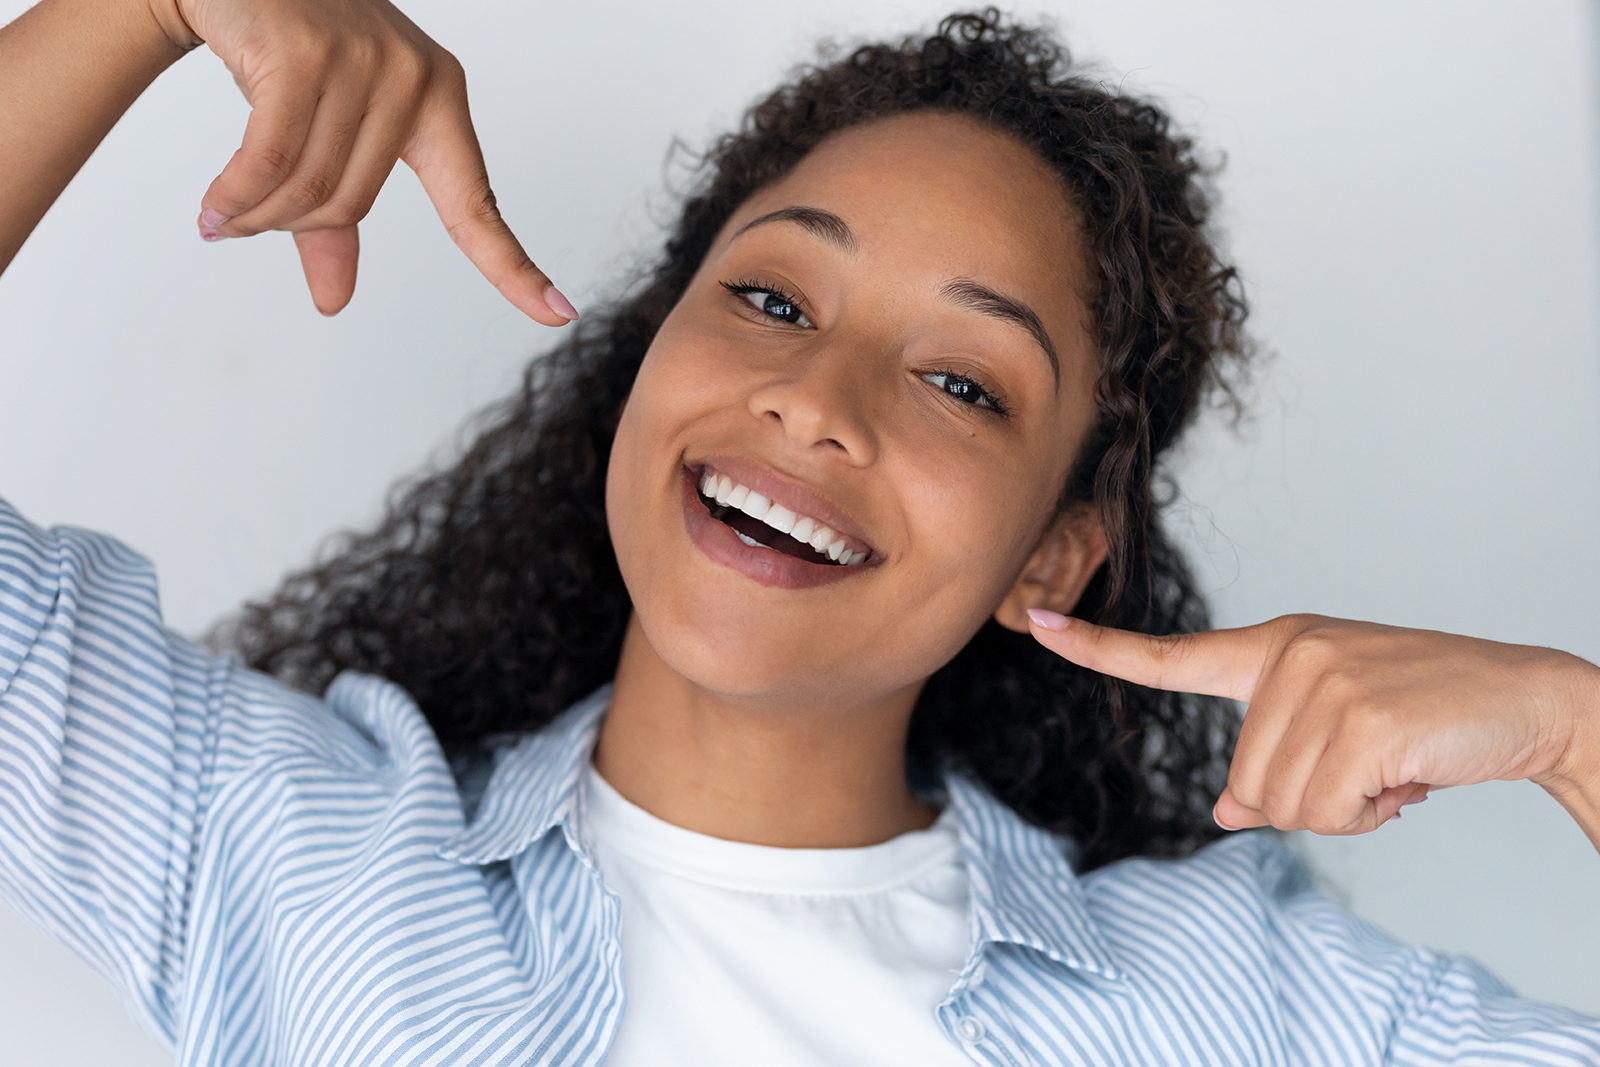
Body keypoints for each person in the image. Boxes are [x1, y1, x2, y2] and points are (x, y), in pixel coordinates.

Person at [0, 0, 1596, 1064]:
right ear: (645, 360)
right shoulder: (287, 857)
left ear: (1055, 548)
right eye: (770, 298)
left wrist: (1573, 731)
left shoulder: (1235, 1002)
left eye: (965, 384)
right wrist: (135, 5)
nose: (820, 401)